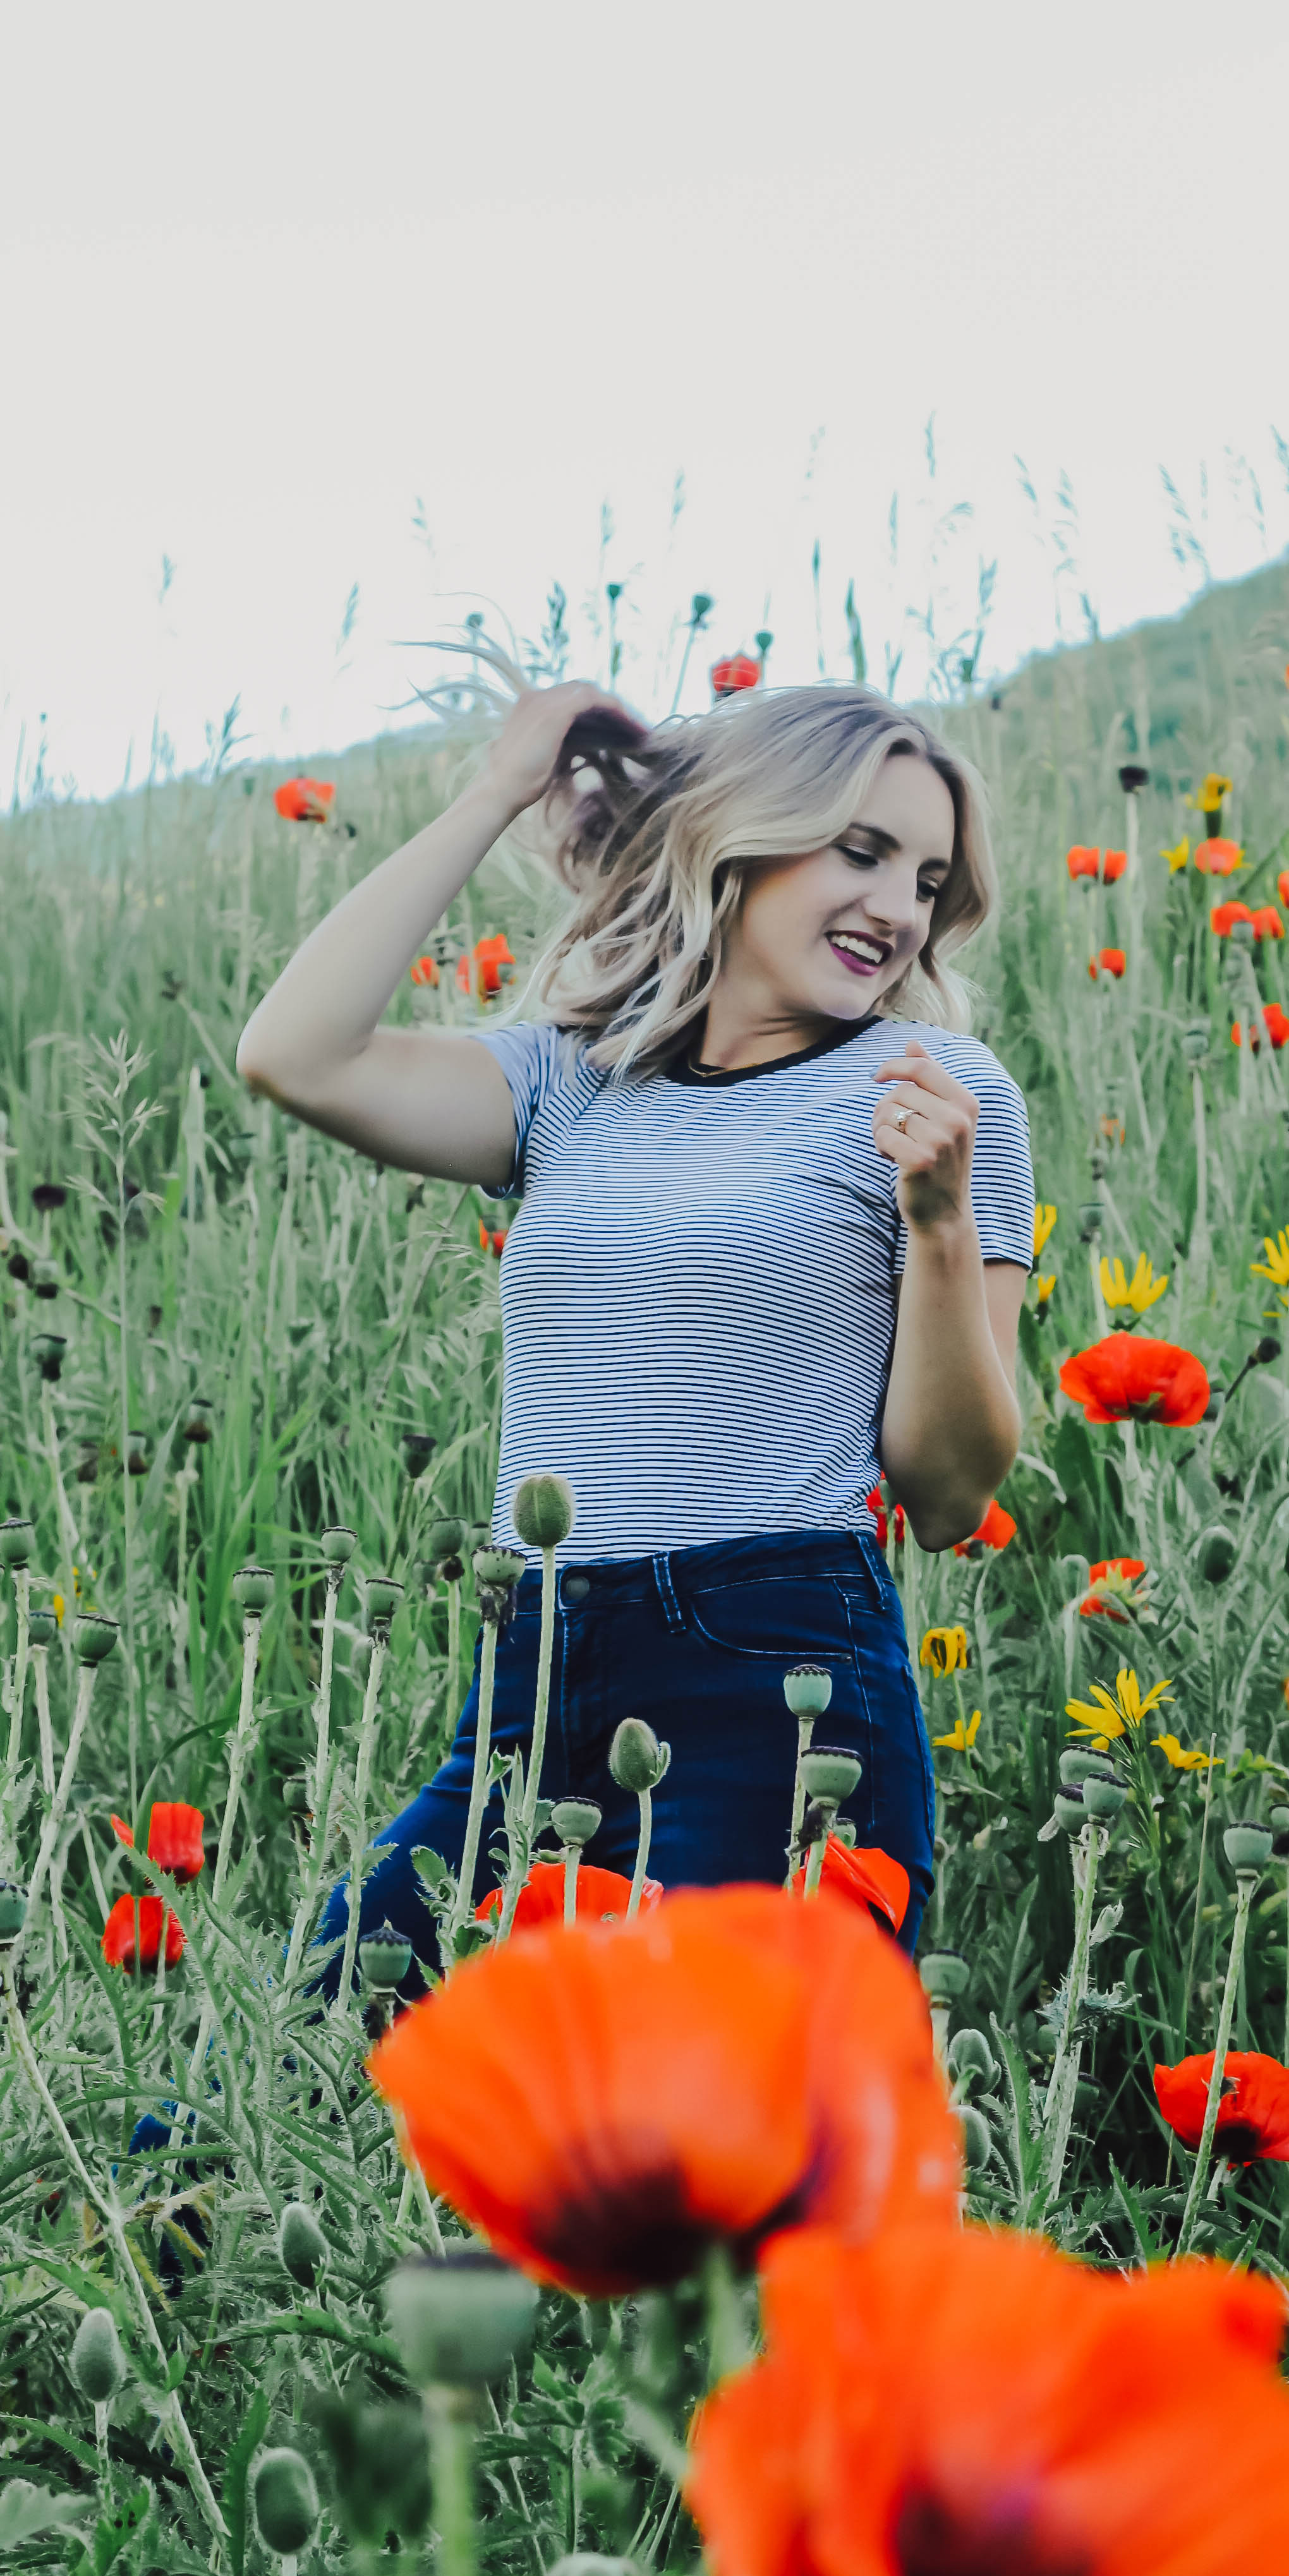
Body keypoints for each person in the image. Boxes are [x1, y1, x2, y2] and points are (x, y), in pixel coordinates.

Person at [234, 675, 1032, 1971]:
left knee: (699, 2098)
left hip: (775, 1685)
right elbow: (296, 1054)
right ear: (740, 840)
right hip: (535, 1667)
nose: (899, 909)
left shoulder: (929, 1094)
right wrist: (497, 791)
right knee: (311, 2048)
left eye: (929, 881)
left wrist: (940, 1224)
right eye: (862, 850)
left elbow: (949, 1493)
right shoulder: (572, 1080)